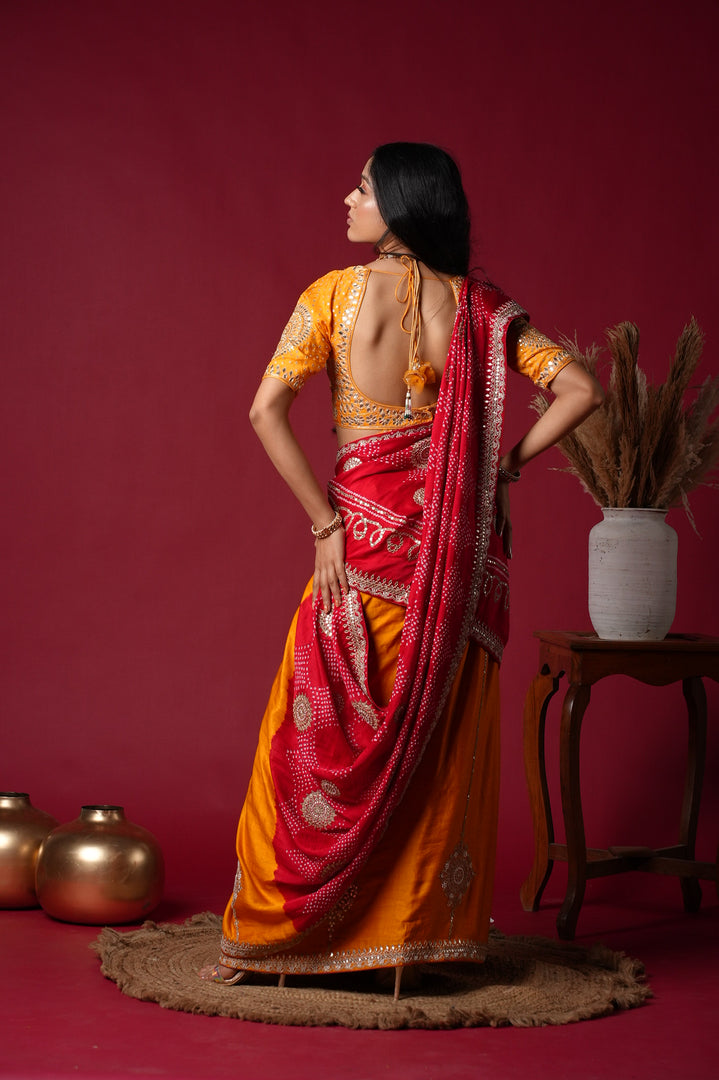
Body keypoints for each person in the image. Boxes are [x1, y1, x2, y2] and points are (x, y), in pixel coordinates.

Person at [201, 143, 603, 996]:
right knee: (441, 740)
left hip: (362, 548)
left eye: (360, 186)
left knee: (323, 719)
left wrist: (323, 522)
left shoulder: (332, 297)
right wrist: (499, 467)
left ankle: (289, 935)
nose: (346, 198)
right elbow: (580, 390)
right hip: (456, 560)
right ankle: (416, 940)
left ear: (397, 203)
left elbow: (264, 410)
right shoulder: (483, 313)